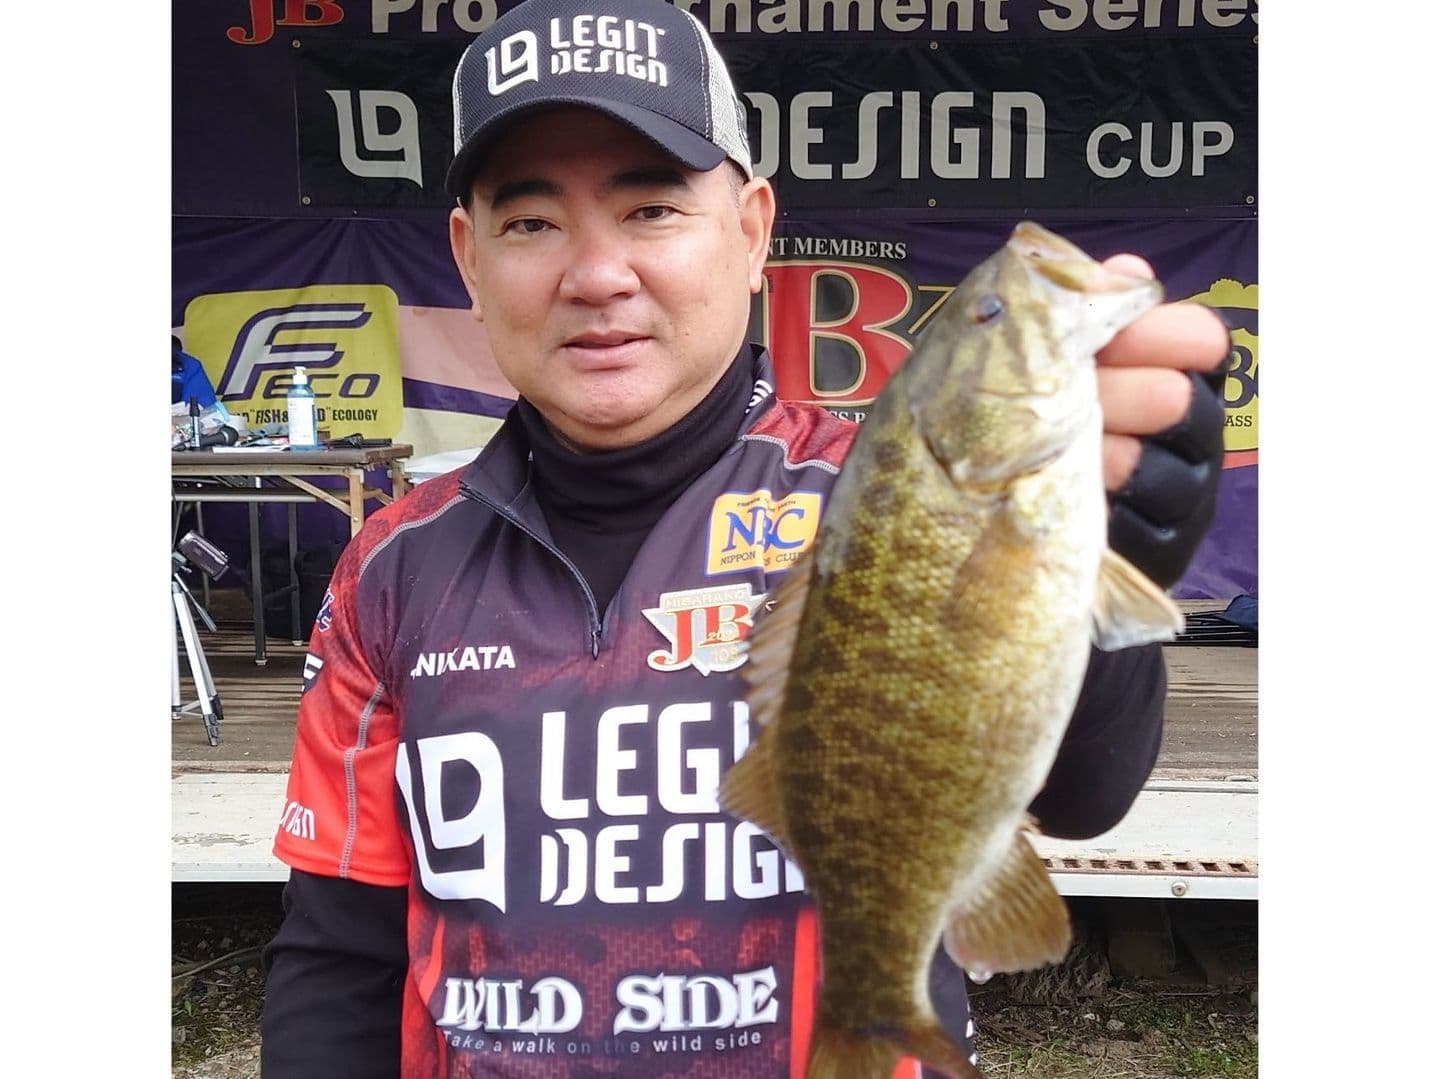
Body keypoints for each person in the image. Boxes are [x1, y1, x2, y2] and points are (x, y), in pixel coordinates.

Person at [259, 1, 1231, 1074]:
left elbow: (1086, 793)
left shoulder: (877, 499)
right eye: (531, 222)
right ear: (469, 258)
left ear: (754, 228)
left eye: (653, 209)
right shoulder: (389, 567)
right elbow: (339, 957)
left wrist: (1103, 576)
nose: (597, 274)